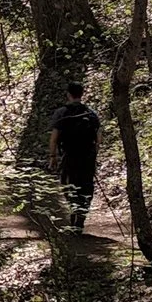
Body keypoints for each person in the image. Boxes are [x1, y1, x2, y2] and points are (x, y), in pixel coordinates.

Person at [49, 82, 102, 233]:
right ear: (82, 94)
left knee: (68, 184)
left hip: (69, 155)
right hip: (88, 156)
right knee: (86, 186)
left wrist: (53, 156)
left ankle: (74, 209)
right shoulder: (91, 113)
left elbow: (54, 138)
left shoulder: (61, 113)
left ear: (68, 94)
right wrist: (93, 154)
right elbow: (98, 138)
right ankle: (81, 216)